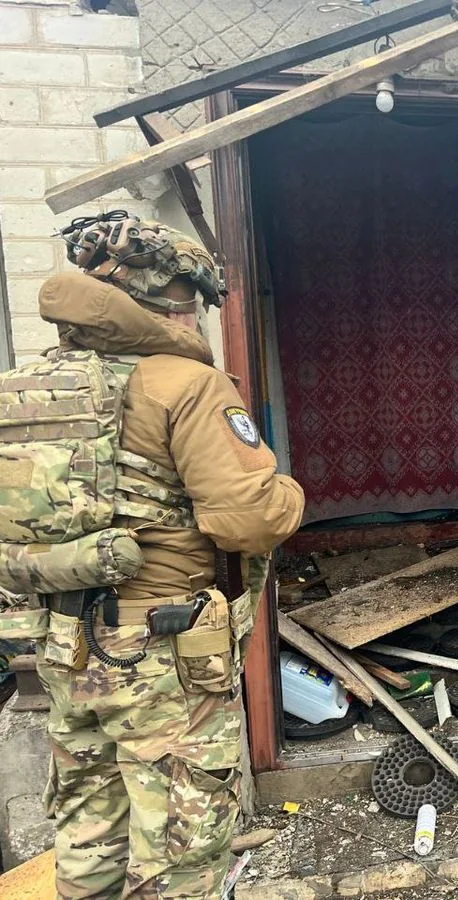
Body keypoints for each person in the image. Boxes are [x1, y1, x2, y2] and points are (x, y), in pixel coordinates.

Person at [0, 212, 304, 898]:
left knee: (86, 831)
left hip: (62, 646)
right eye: (193, 305)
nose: (197, 320)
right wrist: (287, 491)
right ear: (170, 304)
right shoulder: (185, 384)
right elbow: (248, 523)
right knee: (180, 848)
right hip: (158, 657)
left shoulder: (28, 386)